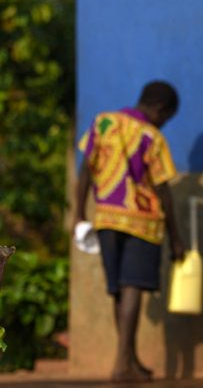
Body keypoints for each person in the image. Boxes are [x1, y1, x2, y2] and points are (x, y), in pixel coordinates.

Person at [73, 81, 185, 382]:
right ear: (160, 110)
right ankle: (122, 363)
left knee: (118, 292)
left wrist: (79, 214)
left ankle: (130, 358)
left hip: (106, 218)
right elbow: (163, 190)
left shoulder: (103, 123)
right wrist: (176, 237)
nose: (164, 123)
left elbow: (85, 171)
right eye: (167, 118)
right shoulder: (153, 137)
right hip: (141, 220)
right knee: (133, 286)